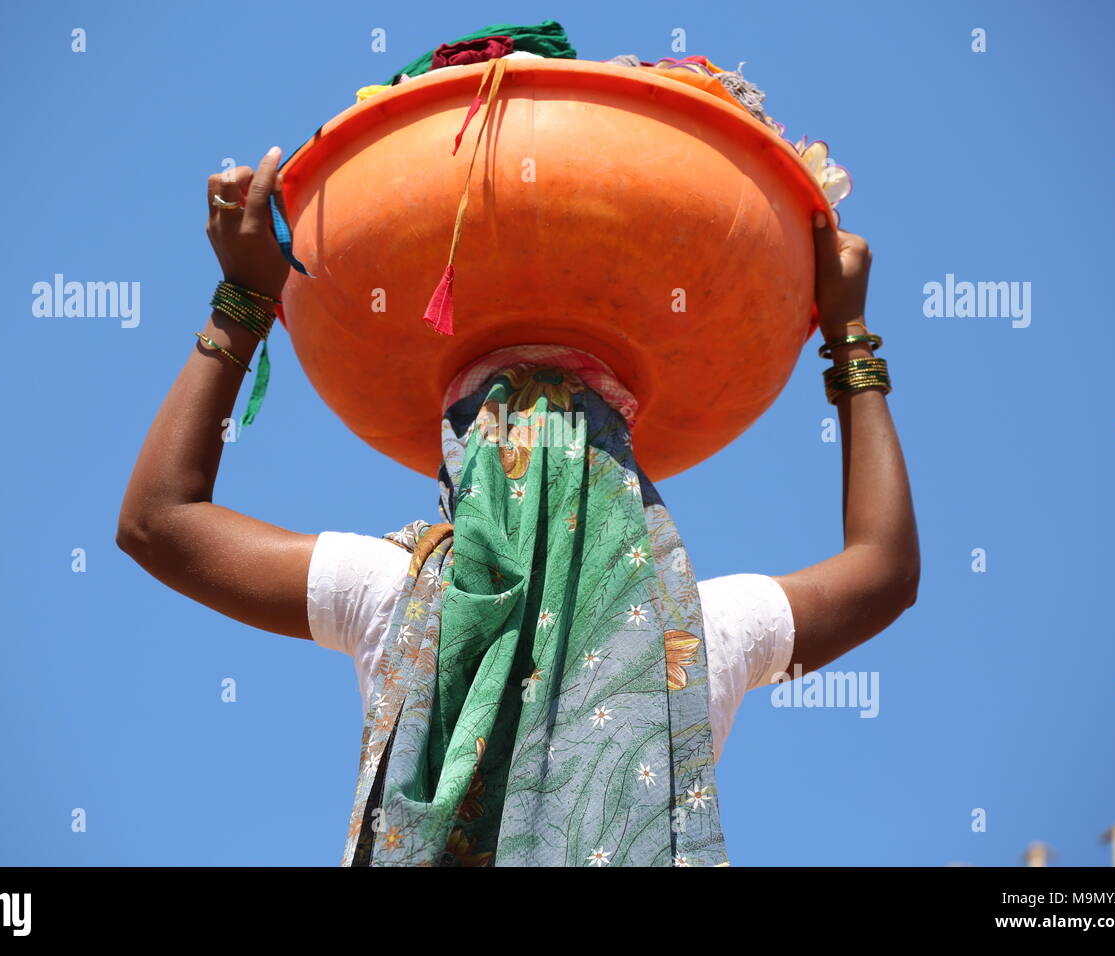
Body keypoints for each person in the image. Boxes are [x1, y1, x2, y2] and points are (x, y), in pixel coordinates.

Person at [116, 146, 920, 866]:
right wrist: (848, 335)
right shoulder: (691, 634)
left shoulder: (399, 597)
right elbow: (883, 571)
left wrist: (243, 302)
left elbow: (161, 521)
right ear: (625, 472)